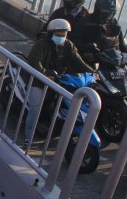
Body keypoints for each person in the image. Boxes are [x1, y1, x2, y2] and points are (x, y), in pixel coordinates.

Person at [24, 18, 94, 148]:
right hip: (39, 81)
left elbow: (78, 61)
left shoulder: (68, 45)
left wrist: (92, 72)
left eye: (64, 34)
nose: (61, 37)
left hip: (60, 80)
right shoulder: (41, 44)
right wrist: (45, 73)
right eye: (58, 35)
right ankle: (28, 138)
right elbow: (34, 61)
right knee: (35, 108)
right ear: (51, 34)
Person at [71, 0, 127, 66]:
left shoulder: (114, 22)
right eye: (104, 11)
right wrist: (86, 47)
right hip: (88, 59)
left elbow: (122, 44)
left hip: (110, 60)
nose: (107, 15)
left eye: (110, 13)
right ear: (98, 10)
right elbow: (74, 42)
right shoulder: (85, 22)